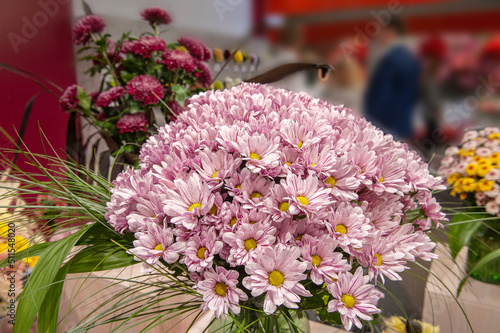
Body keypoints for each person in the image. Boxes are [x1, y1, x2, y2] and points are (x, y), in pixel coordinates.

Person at [364, 16, 420, 140]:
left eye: (380, 30)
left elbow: (383, 96)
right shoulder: (409, 58)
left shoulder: (391, 60)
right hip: (402, 123)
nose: (377, 34)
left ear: (390, 31)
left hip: (386, 125)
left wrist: (372, 123)